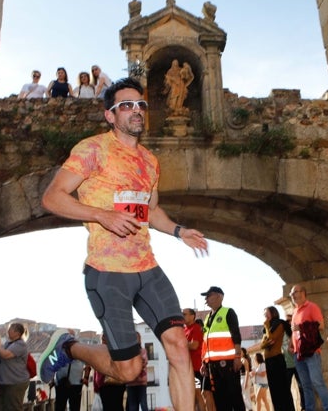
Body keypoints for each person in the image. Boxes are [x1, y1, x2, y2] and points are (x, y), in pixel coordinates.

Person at [38, 77, 208, 411]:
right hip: (107, 272)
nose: (136, 111)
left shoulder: (150, 162)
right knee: (129, 369)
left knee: (177, 344)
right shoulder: (93, 150)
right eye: (126, 106)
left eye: (140, 105)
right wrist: (102, 215)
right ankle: (69, 346)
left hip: (147, 268)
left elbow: (151, 210)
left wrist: (178, 231)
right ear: (110, 116)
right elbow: (51, 197)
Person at [290, 284, 328, 411]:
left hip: (311, 352)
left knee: (318, 383)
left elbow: (320, 325)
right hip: (298, 353)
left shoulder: (312, 307)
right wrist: (292, 345)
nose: (293, 295)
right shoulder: (294, 311)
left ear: (303, 293)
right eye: (291, 294)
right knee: (305, 385)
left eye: (295, 292)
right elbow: (295, 333)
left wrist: (301, 327)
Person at [201, 286, 246, 411]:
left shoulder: (228, 312)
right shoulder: (207, 318)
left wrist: (237, 357)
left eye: (209, 295)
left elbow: (236, 336)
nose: (206, 299)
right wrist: (204, 363)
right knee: (220, 400)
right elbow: (205, 342)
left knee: (234, 397)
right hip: (212, 365)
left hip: (228, 363)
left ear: (219, 296)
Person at [0, 322, 30, 411]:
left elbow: (5, 355)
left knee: (13, 408)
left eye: (10, 329)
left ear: (17, 333)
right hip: (7, 382)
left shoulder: (20, 345)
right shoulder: (9, 343)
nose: (8, 330)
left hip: (15, 382)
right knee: (5, 407)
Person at [260, 306, 295, 411]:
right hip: (269, 361)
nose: (265, 315)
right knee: (274, 389)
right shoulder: (267, 328)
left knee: (282, 389)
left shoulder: (279, 324)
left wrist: (267, 329)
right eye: (264, 314)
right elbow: (262, 345)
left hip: (277, 360)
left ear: (273, 313)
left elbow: (270, 339)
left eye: (266, 313)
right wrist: (267, 340)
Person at [183, 308, 207, 411]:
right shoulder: (184, 330)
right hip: (187, 368)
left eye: (184, 314)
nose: (182, 316)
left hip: (196, 367)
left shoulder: (196, 328)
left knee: (197, 393)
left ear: (192, 316)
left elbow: (194, 345)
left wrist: (181, 344)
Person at [283, 313, 305, 411]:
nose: (287, 323)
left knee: (302, 386)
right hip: (287, 365)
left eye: (289, 321)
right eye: (286, 321)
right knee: (285, 389)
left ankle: (303, 407)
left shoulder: (296, 332)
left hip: (298, 363)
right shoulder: (282, 334)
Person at [126, 332, 149, 411]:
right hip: (130, 382)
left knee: (143, 405)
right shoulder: (128, 352)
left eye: (137, 338)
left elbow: (144, 362)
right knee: (133, 407)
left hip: (141, 382)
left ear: (140, 340)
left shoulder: (143, 351)